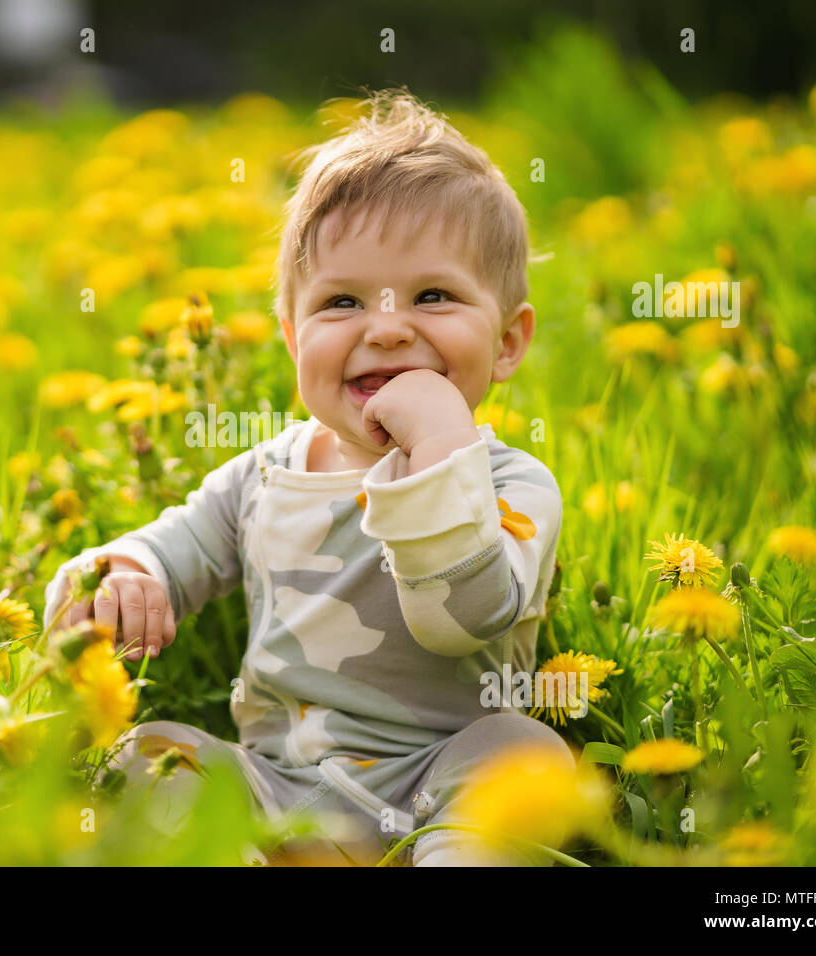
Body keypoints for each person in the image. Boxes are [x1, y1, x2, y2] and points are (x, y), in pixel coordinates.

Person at [43, 88, 573, 866]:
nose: (387, 326)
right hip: (278, 792)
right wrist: (124, 577)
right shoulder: (261, 477)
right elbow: (169, 547)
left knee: (524, 753)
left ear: (507, 341)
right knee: (146, 757)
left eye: (433, 295)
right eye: (341, 302)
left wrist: (436, 448)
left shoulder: (512, 486)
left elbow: (459, 618)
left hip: (439, 781)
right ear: (294, 338)